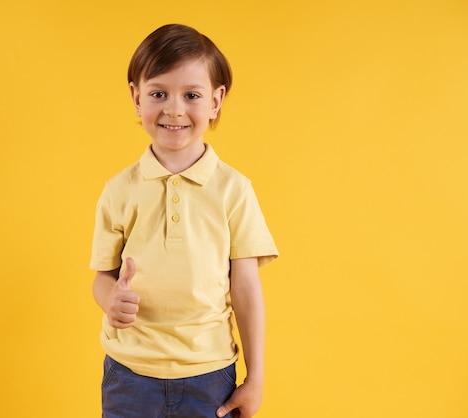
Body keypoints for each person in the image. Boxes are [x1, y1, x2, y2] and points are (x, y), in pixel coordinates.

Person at [90, 23, 279, 418]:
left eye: (191, 95)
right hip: (129, 375)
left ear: (215, 101)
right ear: (136, 97)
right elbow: (103, 278)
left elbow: (245, 286)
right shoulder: (118, 189)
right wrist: (112, 301)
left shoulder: (235, 189)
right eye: (159, 93)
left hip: (210, 376)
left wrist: (256, 376)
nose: (174, 109)